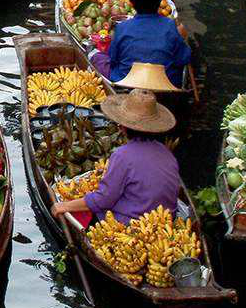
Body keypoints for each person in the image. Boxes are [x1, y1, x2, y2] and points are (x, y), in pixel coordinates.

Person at [49, 89, 180, 225]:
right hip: (168, 220)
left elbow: (103, 200)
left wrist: (63, 206)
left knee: (91, 213)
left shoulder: (123, 155)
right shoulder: (167, 153)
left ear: (123, 127)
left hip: (134, 226)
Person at [91, 0, 192, 87]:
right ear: (158, 3)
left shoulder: (122, 28)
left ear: (133, 4)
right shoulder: (170, 26)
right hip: (165, 84)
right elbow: (184, 58)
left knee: (96, 56)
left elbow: (113, 59)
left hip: (127, 82)